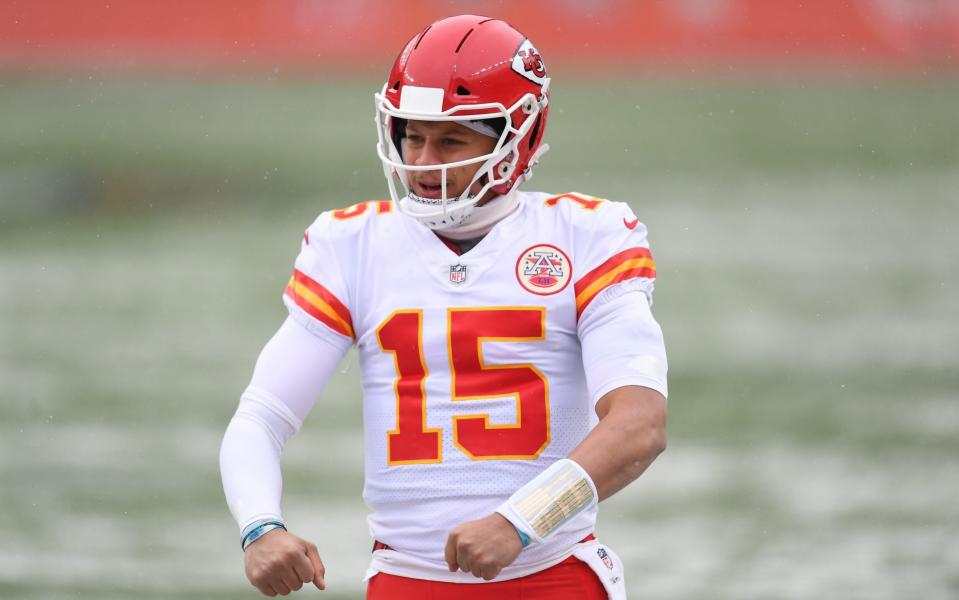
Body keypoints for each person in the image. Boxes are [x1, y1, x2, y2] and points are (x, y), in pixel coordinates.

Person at [220, 14, 668, 599]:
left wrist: (520, 522)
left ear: (516, 139)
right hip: (406, 581)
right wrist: (260, 526)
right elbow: (262, 417)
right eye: (413, 135)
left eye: (451, 139)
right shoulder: (352, 244)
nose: (423, 160)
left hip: (554, 578)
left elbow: (640, 425)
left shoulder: (589, 235)